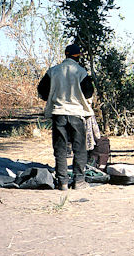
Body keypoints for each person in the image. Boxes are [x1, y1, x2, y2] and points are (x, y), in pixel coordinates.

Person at [37, 44, 94, 190]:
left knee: (60, 148)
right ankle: (79, 181)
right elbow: (88, 93)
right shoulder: (81, 72)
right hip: (76, 113)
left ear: (66, 55)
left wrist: (53, 97)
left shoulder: (53, 71)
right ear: (78, 56)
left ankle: (62, 182)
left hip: (58, 113)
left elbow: (42, 89)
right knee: (79, 149)